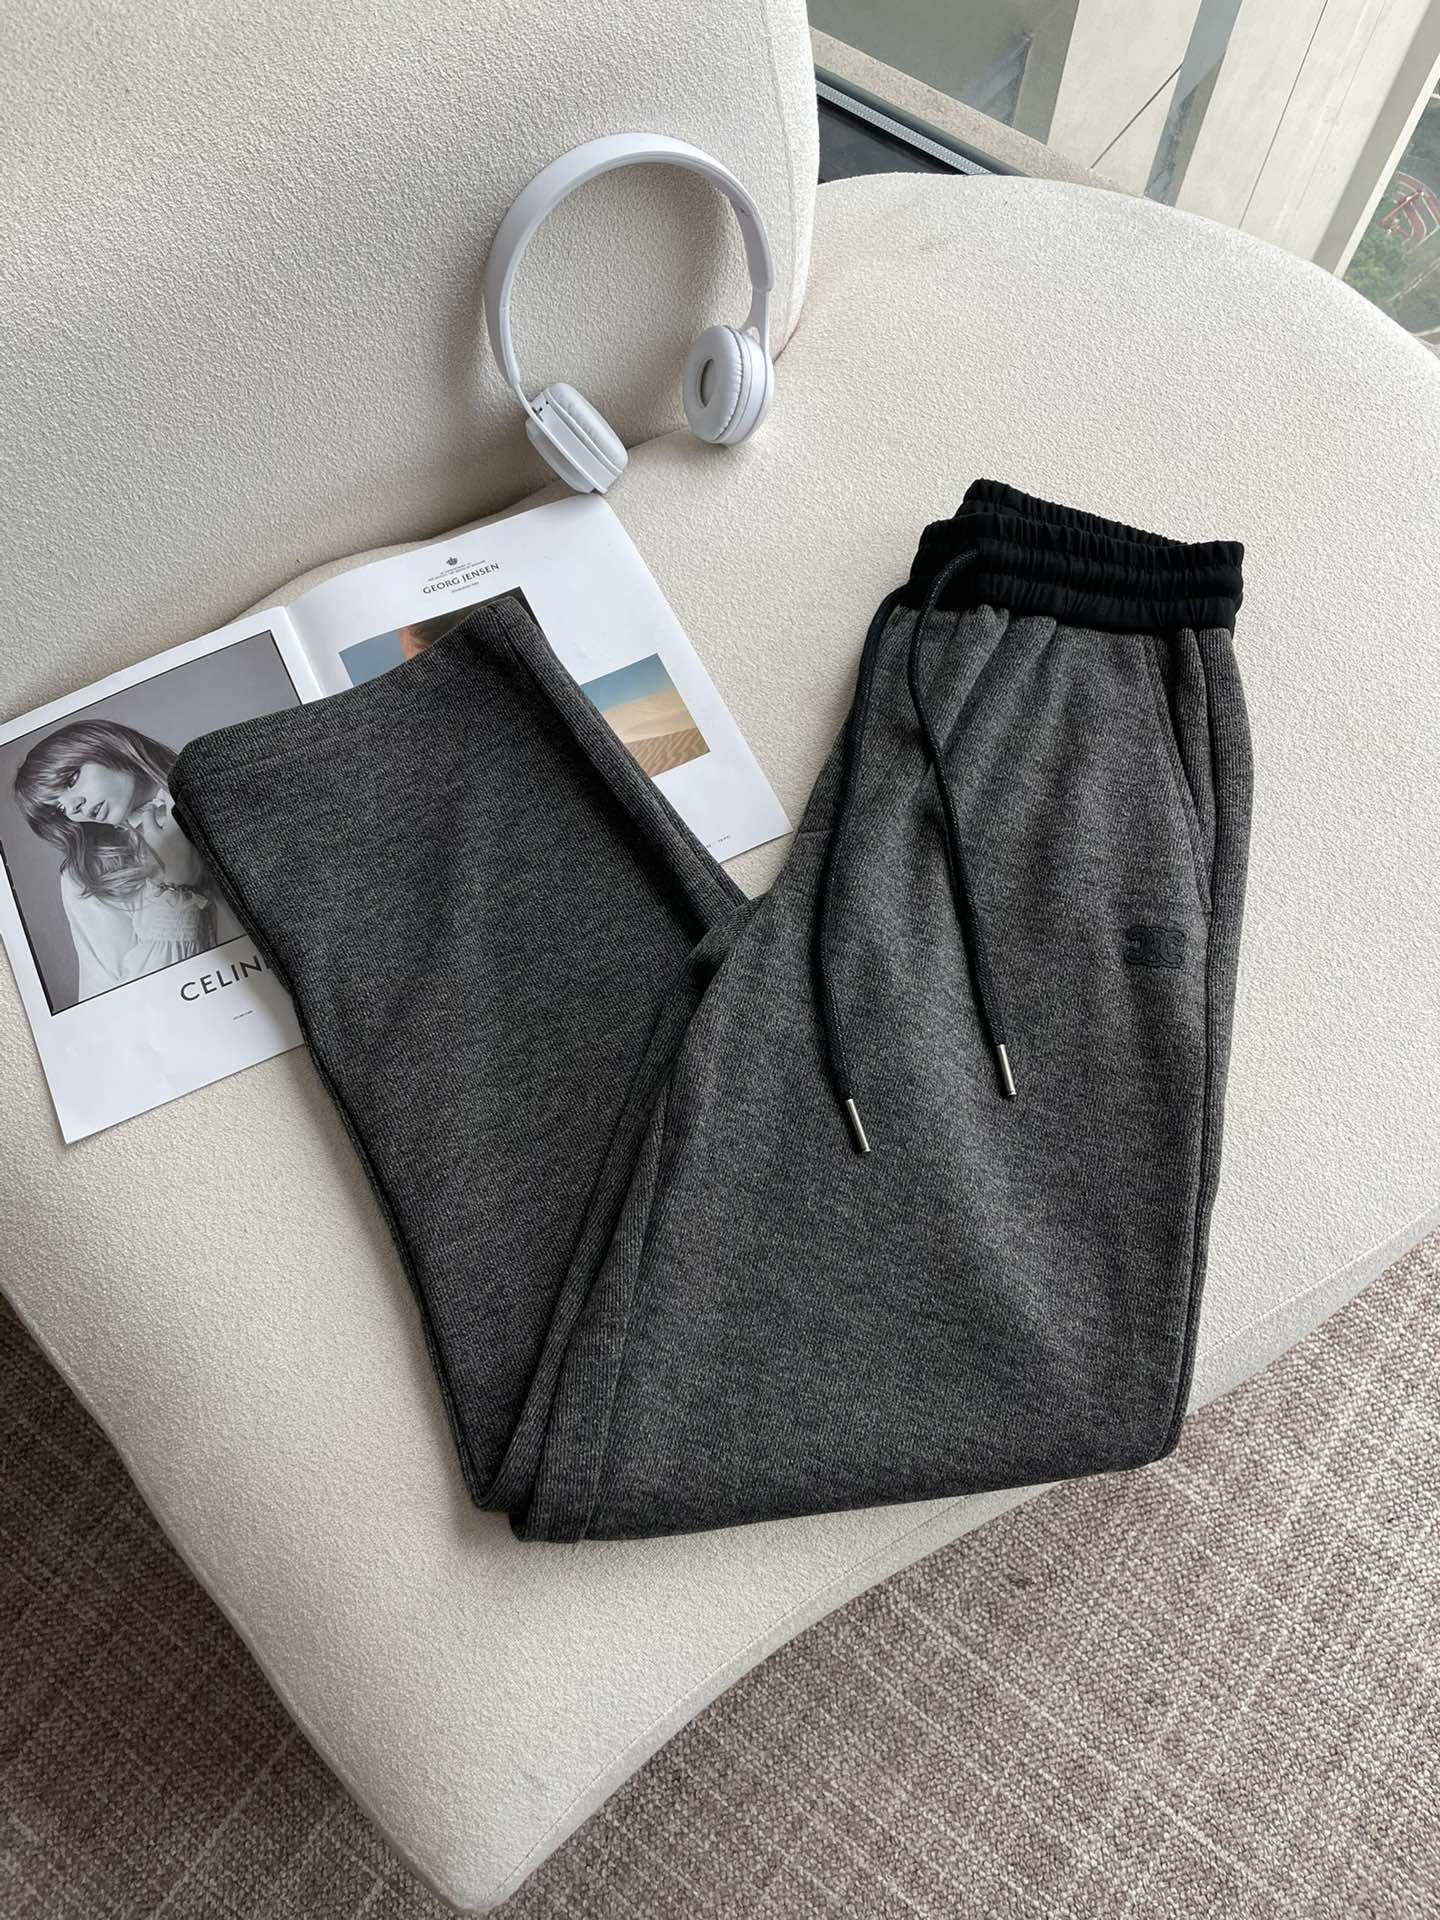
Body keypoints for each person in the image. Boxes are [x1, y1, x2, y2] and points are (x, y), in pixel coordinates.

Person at [12, 716, 239, 1002]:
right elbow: (122, 1002)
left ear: (107, 746)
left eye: (71, 780)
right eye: (59, 808)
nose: (73, 808)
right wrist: (177, 886)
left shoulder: (220, 785)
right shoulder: (88, 874)